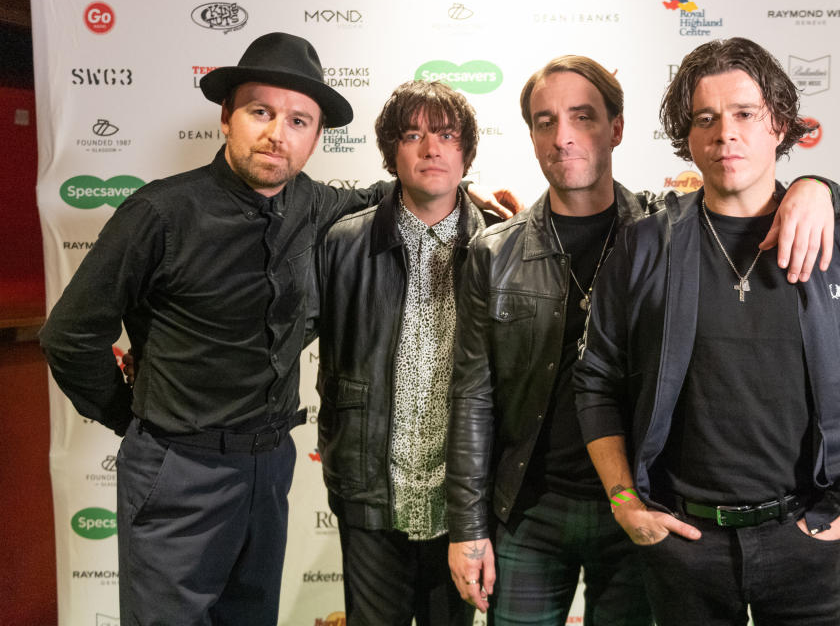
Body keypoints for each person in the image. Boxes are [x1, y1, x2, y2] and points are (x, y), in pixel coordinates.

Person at [39, 33, 515, 626]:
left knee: (252, 616)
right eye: (260, 112)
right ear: (226, 117)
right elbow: (69, 335)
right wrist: (136, 419)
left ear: (316, 137)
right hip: (176, 466)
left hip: (269, 466)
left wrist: (481, 204)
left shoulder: (321, 209)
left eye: (299, 120)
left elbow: (411, 193)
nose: (277, 134)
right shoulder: (160, 212)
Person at [445, 53, 840, 625]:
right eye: (545, 121)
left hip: (651, 507)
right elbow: (473, 397)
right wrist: (467, 528)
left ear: (615, 129)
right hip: (531, 508)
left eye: (583, 117)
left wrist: (817, 188)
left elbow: (741, 193)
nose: (563, 137)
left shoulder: (660, 232)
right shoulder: (496, 252)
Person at [575, 37, 840, 626]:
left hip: (808, 540)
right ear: (688, 135)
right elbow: (596, 381)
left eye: (745, 114)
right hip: (683, 543)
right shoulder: (644, 246)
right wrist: (626, 501)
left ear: (779, 125)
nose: (725, 132)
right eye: (706, 118)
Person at [314, 80, 495, 626]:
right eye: (412, 135)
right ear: (392, 151)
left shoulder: (502, 246)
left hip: (461, 509)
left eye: (445, 135)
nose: (431, 149)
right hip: (371, 496)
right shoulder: (343, 244)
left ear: (466, 151)